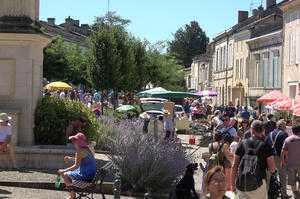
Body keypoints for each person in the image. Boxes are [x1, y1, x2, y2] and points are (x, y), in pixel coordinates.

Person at [231, 120, 276, 199]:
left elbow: (234, 165)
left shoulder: (242, 143)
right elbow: (272, 169)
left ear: (251, 129)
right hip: (258, 184)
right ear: (263, 131)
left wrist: (233, 184)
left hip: (242, 183)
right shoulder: (265, 145)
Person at [58, 133, 98, 199]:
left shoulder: (79, 151)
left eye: (75, 140)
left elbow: (76, 166)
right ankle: (71, 194)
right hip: (92, 175)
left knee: (64, 174)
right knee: (69, 173)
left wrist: (63, 170)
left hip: (86, 175)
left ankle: (72, 195)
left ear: (79, 142)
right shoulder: (87, 149)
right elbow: (82, 159)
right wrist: (70, 159)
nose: (73, 142)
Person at [266, 119, 291, 199]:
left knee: (269, 176)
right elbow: (285, 148)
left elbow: (265, 145)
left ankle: (267, 194)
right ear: (283, 126)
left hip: (269, 157)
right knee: (282, 176)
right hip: (279, 157)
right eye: (285, 126)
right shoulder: (284, 134)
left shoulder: (269, 134)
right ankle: (284, 194)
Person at [281, 124, 300, 199]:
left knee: (292, 181)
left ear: (292, 131)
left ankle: (295, 195)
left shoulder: (288, 139)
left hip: (290, 164)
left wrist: (283, 162)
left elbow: (283, 151)